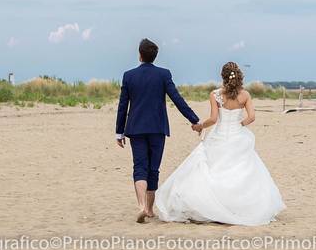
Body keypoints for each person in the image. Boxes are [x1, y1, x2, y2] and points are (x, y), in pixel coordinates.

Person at [154, 61, 285, 226]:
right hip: (238, 136)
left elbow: (214, 119)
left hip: (219, 136)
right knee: (241, 170)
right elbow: (252, 117)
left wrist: (200, 125)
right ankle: (237, 206)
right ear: (239, 77)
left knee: (212, 169)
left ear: (222, 76)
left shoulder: (215, 94)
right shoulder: (245, 95)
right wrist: (240, 125)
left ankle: (212, 206)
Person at [115, 38, 199, 223]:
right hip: (157, 128)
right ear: (154, 56)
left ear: (139, 55)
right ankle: (150, 209)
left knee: (140, 167)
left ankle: (142, 207)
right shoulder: (163, 74)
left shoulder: (129, 76)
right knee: (153, 168)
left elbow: (123, 106)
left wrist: (119, 132)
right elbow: (177, 99)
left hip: (136, 128)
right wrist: (194, 120)